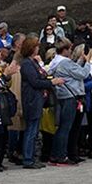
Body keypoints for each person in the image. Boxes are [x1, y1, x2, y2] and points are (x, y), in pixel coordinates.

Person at [19, 38, 63, 169]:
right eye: (36, 47)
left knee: (35, 130)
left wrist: (40, 64)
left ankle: (32, 156)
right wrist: (52, 83)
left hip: (38, 100)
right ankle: (28, 158)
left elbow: (43, 75)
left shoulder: (34, 62)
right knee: (31, 131)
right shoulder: (26, 64)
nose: (38, 49)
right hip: (32, 100)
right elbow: (35, 82)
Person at [47, 39, 90, 166]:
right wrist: (87, 62)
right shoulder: (64, 62)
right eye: (70, 49)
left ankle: (58, 155)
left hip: (64, 96)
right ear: (65, 50)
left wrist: (81, 60)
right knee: (65, 128)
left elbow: (74, 70)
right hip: (70, 97)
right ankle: (60, 156)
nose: (71, 51)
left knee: (65, 127)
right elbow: (82, 73)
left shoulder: (57, 62)